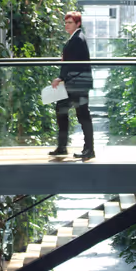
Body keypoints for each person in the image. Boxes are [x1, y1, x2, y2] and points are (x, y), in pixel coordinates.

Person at [50, 11, 95, 160]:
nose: (66, 25)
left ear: (78, 24)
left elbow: (72, 64)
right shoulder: (76, 38)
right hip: (75, 83)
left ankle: (88, 149)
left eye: (70, 22)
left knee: (82, 116)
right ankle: (64, 146)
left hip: (78, 84)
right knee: (64, 110)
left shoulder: (77, 39)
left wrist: (60, 77)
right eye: (66, 22)